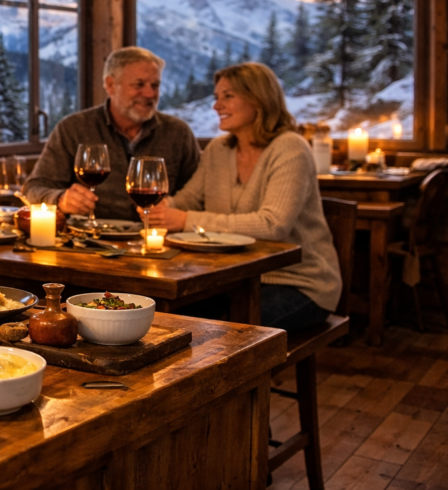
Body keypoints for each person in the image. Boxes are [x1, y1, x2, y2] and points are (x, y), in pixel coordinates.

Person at [146, 62, 342, 331]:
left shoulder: (290, 148)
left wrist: (183, 219)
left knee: (216, 333)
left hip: (299, 284)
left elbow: (273, 225)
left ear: (259, 99)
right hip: (232, 280)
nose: (216, 106)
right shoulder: (218, 149)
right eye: (217, 97)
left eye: (228, 96)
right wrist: (163, 208)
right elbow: (188, 199)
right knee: (165, 318)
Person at [23, 47, 200, 221]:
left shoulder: (178, 133)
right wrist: (61, 199)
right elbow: (34, 189)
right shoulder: (74, 129)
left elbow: (199, 195)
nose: (149, 94)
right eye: (139, 85)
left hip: (158, 241)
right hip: (90, 242)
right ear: (110, 85)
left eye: (155, 85)